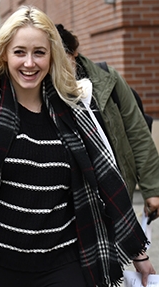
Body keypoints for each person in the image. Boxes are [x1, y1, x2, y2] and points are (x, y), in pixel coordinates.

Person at [0, 6, 155, 287]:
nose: (29, 63)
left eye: (39, 52)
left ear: (52, 56)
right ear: (4, 55)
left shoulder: (75, 107)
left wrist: (139, 253)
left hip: (62, 260)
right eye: (19, 52)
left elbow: (106, 183)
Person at [56, 24, 159, 223]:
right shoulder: (45, 88)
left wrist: (152, 189)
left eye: (63, 58)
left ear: (74, 52)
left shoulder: (107, 79)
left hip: (117, 193)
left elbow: (137, 132)